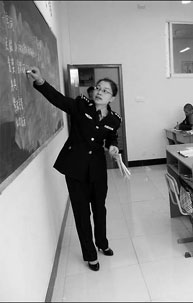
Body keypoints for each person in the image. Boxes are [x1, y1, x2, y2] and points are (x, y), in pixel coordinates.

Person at [27, 67, 121, 272]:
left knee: (99, 208)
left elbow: (112, 137)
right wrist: (41, 81)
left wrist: (113, 146)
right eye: (98, 88)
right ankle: (90, 254)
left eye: (105, 90)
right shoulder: (81, 106)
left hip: (97, 169)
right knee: (81, 212)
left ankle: (102, 242)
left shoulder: (114, 120)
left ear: (112, 98)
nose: (99, 92)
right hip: (75, 168)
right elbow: (58, 99)